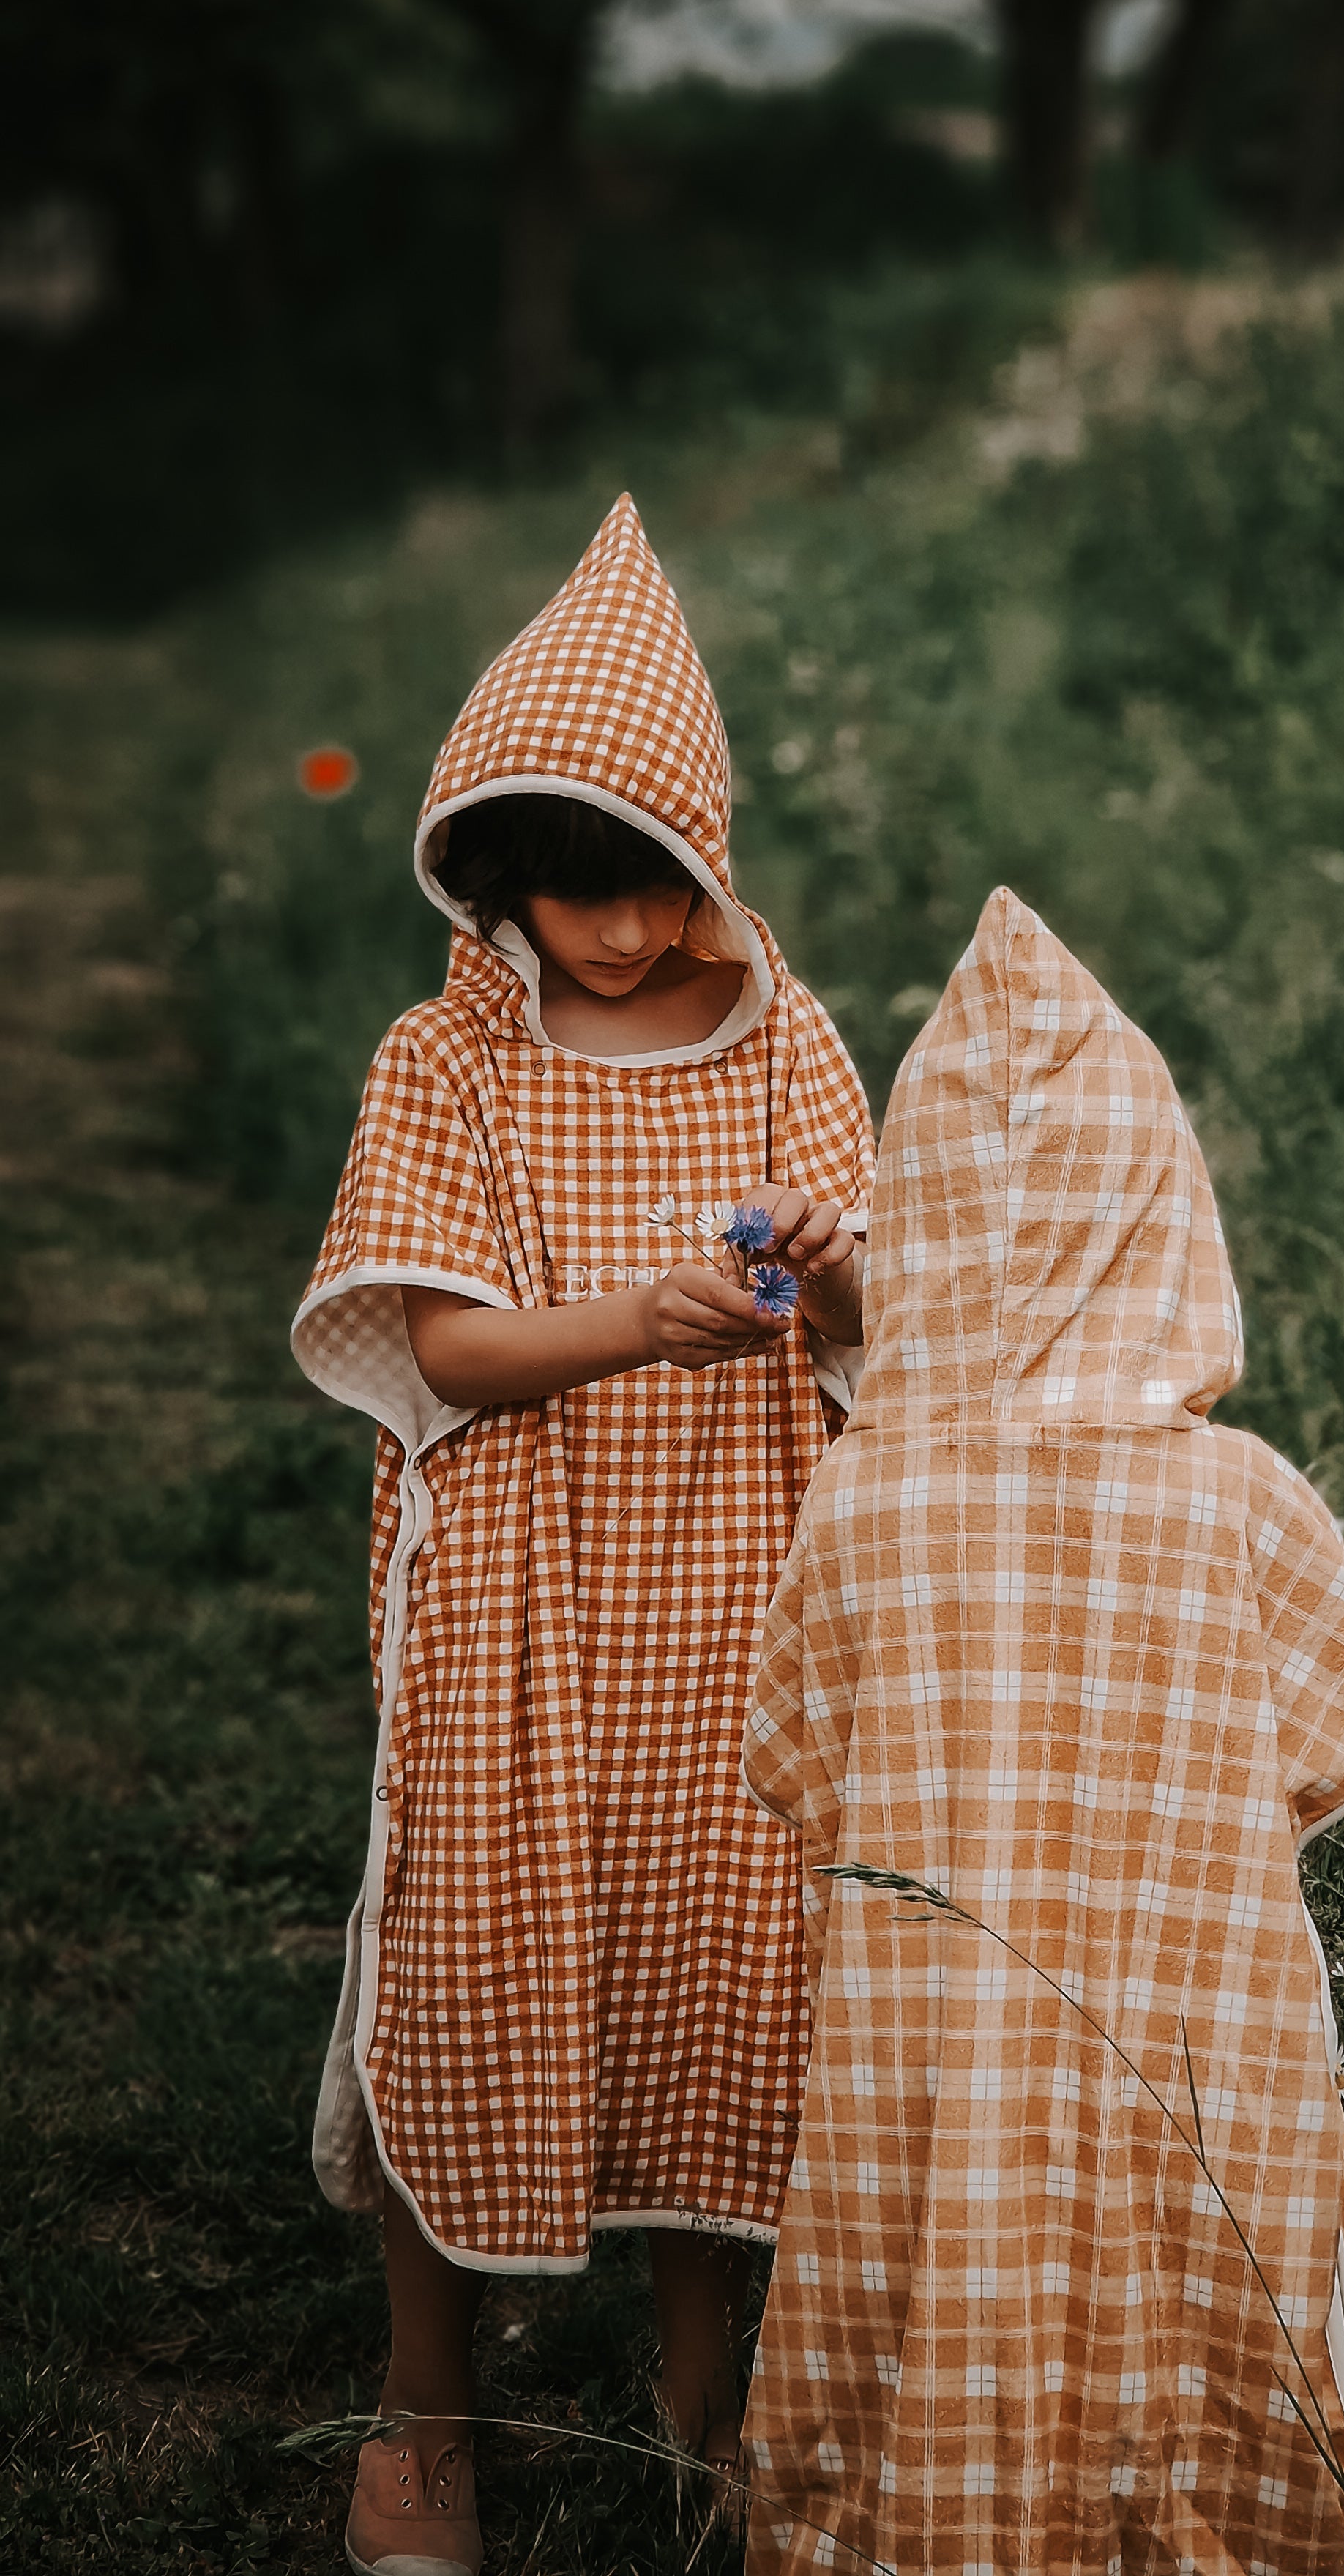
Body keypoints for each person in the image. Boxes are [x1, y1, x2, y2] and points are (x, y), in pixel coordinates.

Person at [291, 496, 873, 2576]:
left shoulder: (787, 1040)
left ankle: (708, 2407)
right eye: (570, 895)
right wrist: (643, 1317)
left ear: (708, 866)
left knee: (727, 1964)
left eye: (651, 892)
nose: (615, 937)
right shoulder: (447, 1054)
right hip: (517, 1597)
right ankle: (428, 2404)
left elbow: (873, 1324)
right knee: (476, 1956)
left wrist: (833, 1257)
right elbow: (427, 1339)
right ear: (497, 877)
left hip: (736, 1584)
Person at [740, 887, 1344, 2575]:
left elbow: (798, 1761)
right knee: (1192, 2272)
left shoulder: (862, 1499)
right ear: (1163, 1212)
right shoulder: (1239, 1502)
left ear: (915, 1226)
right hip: (1195, 2023)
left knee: (935, 2251)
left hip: (935, 2038)